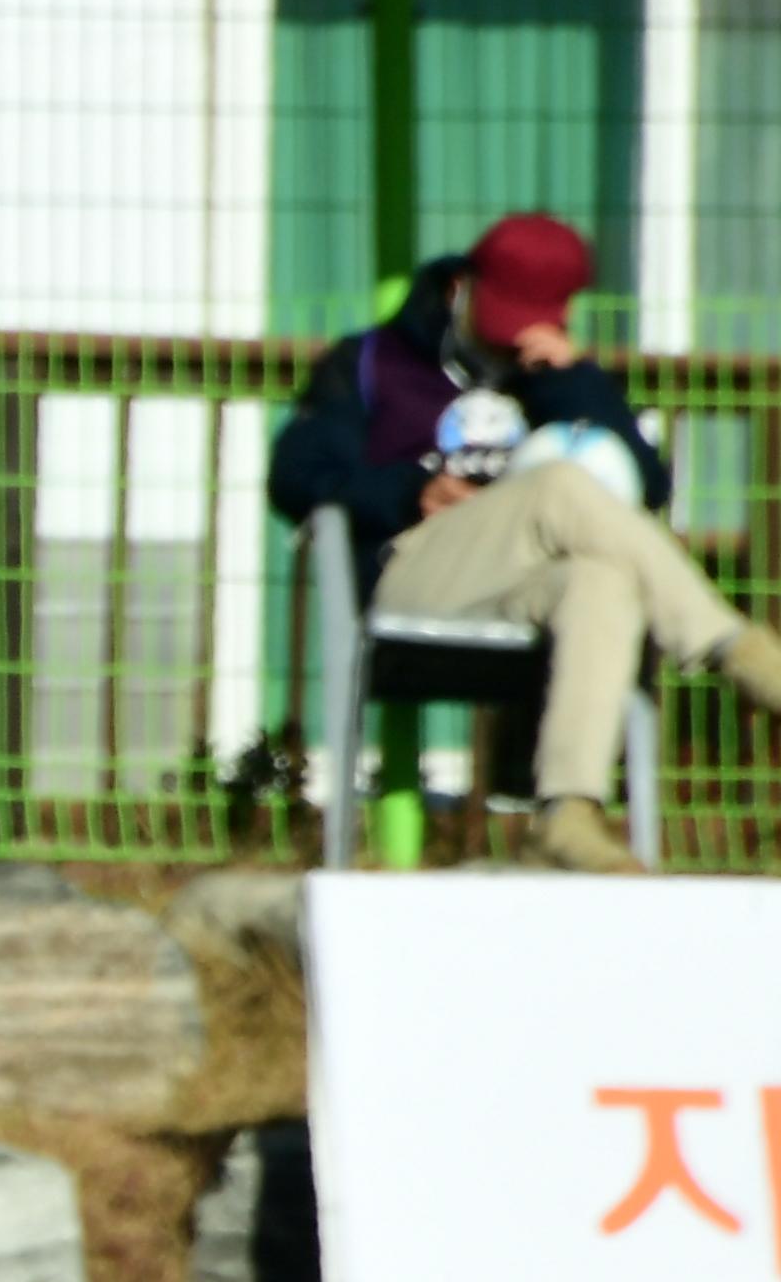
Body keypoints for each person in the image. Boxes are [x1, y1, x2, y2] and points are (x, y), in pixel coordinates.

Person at [265, 208, 781, 873]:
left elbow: (642, 489)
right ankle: (733, 648)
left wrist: (579, 384)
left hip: (519, 592)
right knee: (558, 486)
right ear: (461, 286)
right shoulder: (372, 363)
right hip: (412, 570)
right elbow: (296, 475)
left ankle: (567, 813)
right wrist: (407, 493)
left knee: (603, 580)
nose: (512, 342)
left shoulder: (555, 378)